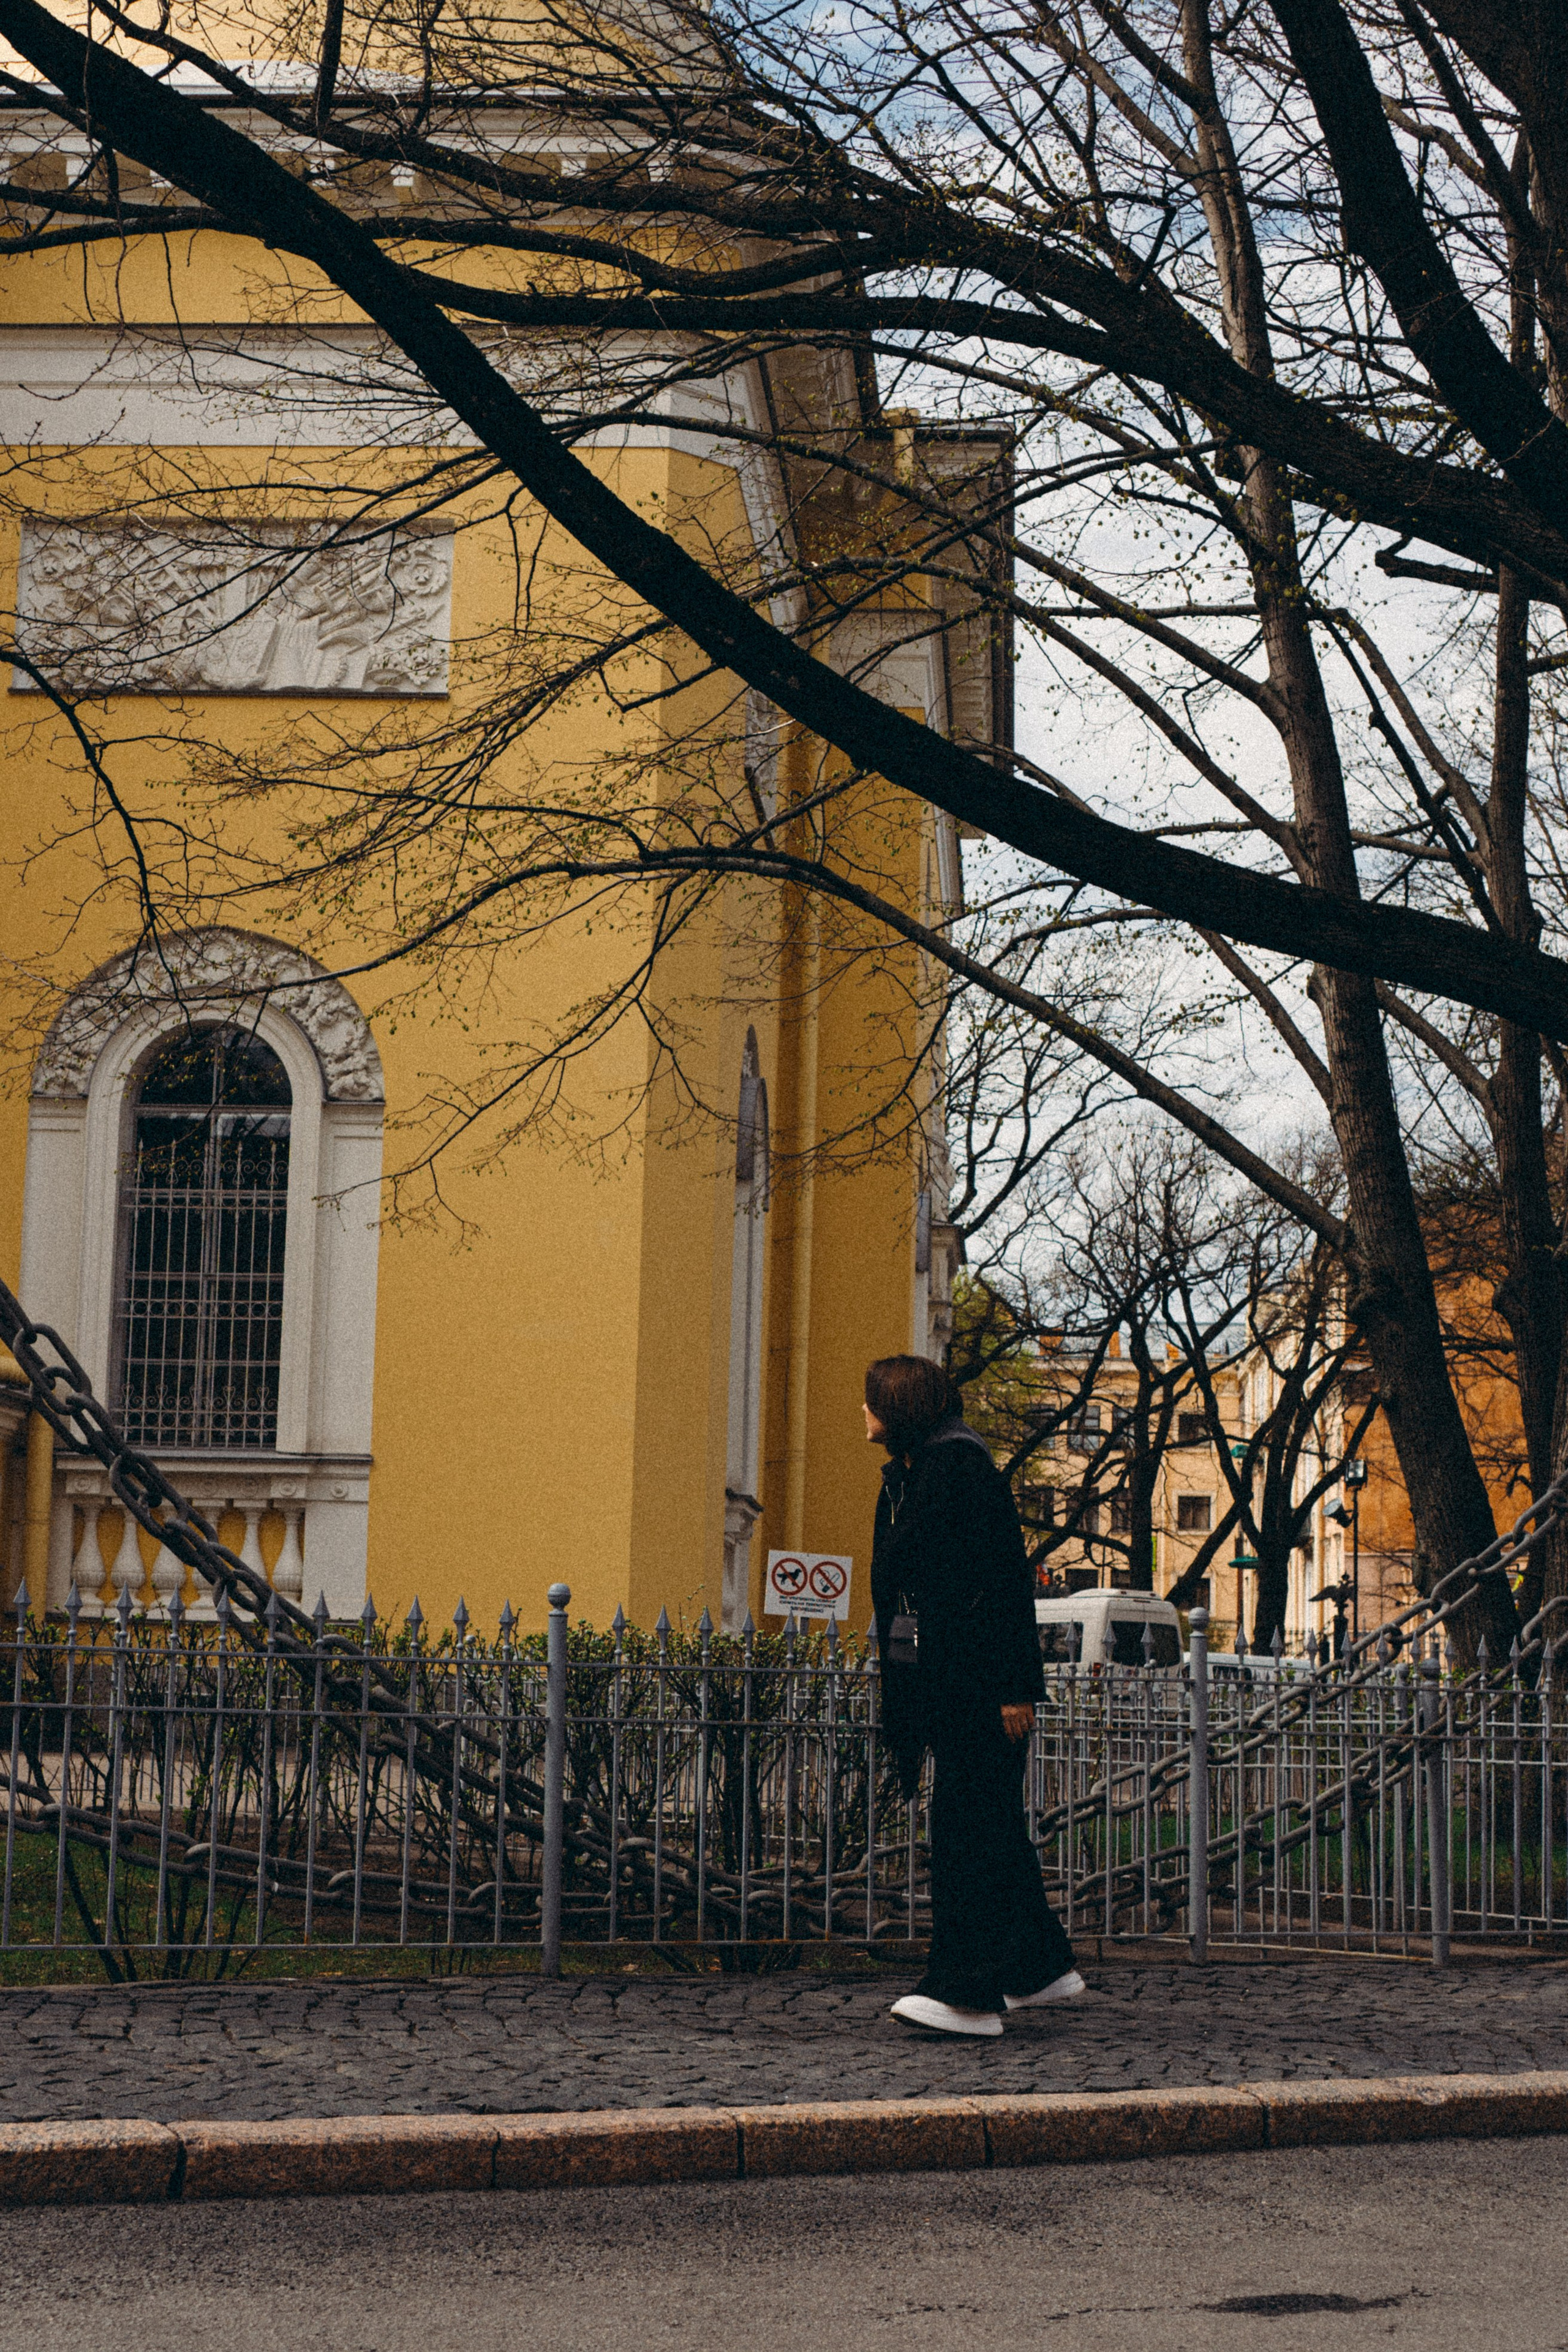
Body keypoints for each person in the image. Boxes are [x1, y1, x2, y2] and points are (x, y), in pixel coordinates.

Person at [866, 1354, 1084, 2038]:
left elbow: (1000, 1584)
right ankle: (1036, 1967)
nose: (860, 1411)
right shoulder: (916, 1472)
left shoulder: (955, 1470)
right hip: (952, 1684)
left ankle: (966, 1994)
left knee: (966, 1833)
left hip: (979, 1690)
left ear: (898, 1407)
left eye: (869, 1399)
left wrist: (1014, 1687)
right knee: (986, 1827)